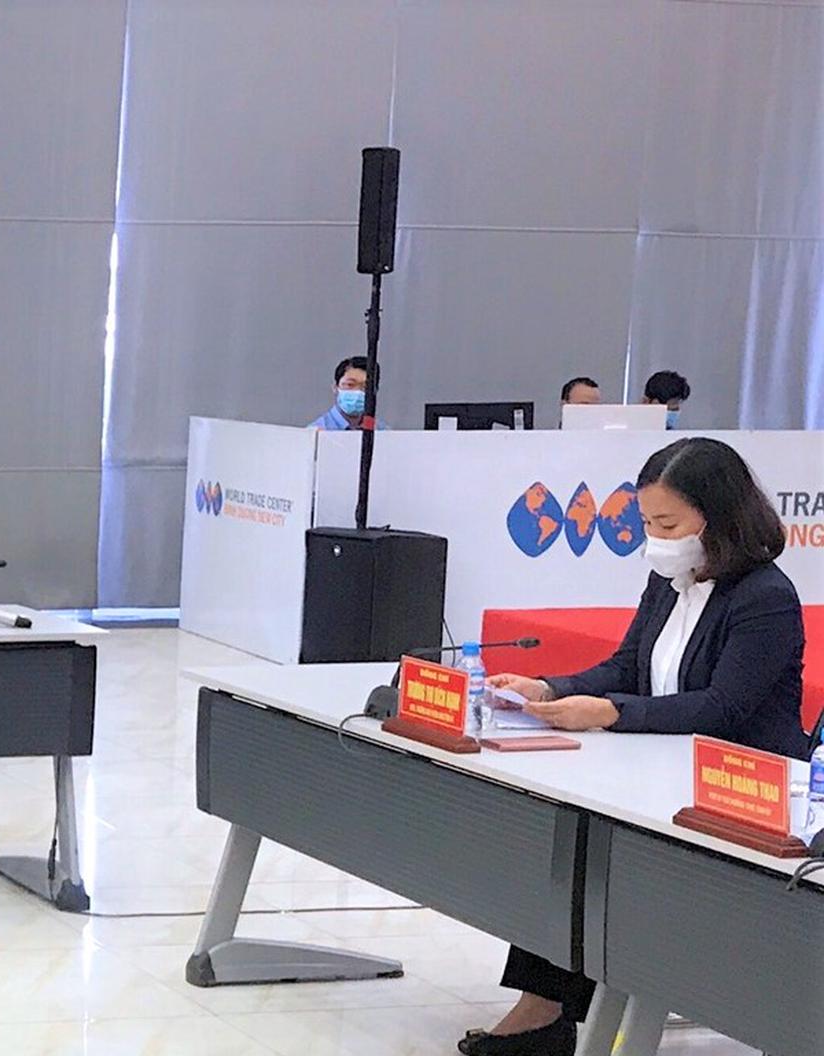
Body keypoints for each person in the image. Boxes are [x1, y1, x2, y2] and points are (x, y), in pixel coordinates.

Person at [461, 437, 807, 1056]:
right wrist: (551, 687)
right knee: (569, 836)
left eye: (667, 525)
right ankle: (544, 1010)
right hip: (658, 767)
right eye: (647, 523)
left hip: (740, 788)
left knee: (611, 857)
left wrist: (612, 713)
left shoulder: (765, 598)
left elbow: (722, 708)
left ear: (718, 517)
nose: (655, 538)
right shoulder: (668, 580)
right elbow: (626, 666)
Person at [308, 356, 388, 430]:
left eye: (366, 387)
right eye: (350, 384)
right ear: (335, 387)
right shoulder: (317, 432)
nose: (357, 392)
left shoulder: (381, 431)